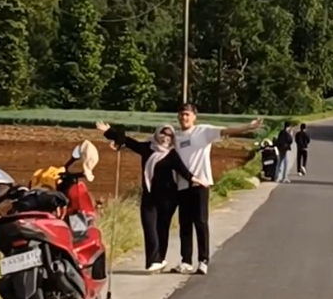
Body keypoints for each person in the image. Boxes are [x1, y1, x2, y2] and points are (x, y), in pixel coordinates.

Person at [172, 103, 263, 275]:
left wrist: (248, 127)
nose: (184, 118)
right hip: (183, 185)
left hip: (201, 184)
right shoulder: (176, 138)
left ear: (194, 117)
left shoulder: (203, 131)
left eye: (187, 114)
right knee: (185, 224)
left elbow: (226, 131)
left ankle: (203, 260)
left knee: (200, 222)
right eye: (181, 114)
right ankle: (185, 261)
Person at [95, 121, 195, 273]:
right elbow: (128, 142)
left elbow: (184, 172)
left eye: (169, 135)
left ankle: (159, 259)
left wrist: (199, 182)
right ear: (157, 133)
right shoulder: (147, 149)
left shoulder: (172, 154)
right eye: (163, 133)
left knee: (162, 228)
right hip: (149, 196)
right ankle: (153, 261)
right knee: (149, 228)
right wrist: (109, 131)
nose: (165, 137)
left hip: (168, 199)